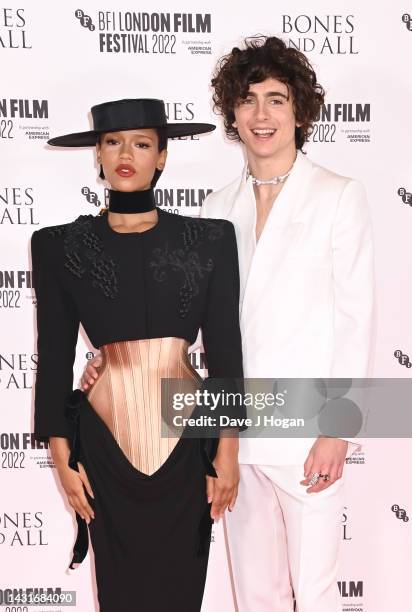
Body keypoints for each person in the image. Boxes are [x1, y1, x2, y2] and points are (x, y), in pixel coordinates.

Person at [82, 38, 375, 611]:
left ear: (300, 112)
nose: (261, 115)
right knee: (256, 593)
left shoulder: (340, 196)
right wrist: (119, 360)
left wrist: (339, 429)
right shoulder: (215, 208)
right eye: (248, 101)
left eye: (276, 100)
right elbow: (187, 318)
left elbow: (357, 317)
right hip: (230, 430)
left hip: (309, 428)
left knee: (316, 592)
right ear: (232, 115)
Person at [31, 98, 245, 612]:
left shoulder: (211, 239)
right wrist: (62, 462)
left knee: (181, 591)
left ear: (163, 157)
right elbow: (55, 361)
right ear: (98, 156)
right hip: (104, 447)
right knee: (120, 595)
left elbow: (226, 351)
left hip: (189, 447)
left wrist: (228, 454)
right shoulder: (58, 246)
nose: (126, 153)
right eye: (112, 142)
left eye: (142, 143)